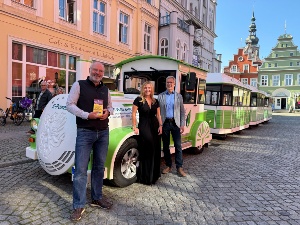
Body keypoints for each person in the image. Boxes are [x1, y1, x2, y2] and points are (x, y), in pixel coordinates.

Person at [66, 61, 113, 221]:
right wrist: (87, 115)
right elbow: (69, 105)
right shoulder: (79, 85)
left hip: (103, 132)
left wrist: (108, 112)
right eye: (95, 70)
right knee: (80, 170)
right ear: (90, 70)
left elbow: (111, 107)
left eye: (101, 71)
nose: (98, 73)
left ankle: (97, 198)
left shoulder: (105, 89)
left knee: (99, 167)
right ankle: (78, 206)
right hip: (85, 132)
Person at [132, 81, 163, 185]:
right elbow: (133, 114)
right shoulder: (138, 100)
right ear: (142, 89)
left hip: (155, 126)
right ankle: (145, 176)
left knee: (155, 149)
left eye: (149, 88)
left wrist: (160, 126)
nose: (147, 90)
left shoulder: (155, 101)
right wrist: (135, 126)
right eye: (145, 88)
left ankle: (153, 175)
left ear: (152, 89)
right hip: (144, 126)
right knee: (147, 148)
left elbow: (158, 115)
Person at [158, 76, 187, 177]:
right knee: (165, 146)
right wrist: (159, 124)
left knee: (178, 146)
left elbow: (182, 112)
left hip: (176, 123)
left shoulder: (179, 96)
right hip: (165, 123)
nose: (169, 84)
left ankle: (179, 167)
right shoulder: (161, 96)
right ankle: (168, 165)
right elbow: (158, 112)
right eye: (167, 82)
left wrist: (182, 124)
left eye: (171, 82)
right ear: (166, 83)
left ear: (174, 84)